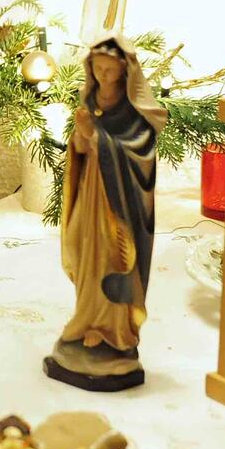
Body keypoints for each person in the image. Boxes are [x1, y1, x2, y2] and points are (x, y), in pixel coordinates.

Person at [48, 36, 165, 391]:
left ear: (124, 71)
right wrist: (81, 140)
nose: (103, 75)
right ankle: (86, 321)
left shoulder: (132, 111)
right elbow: (80, 148)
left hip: (119, 207)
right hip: (91, 196)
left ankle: (115, 333)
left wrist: (98, 138)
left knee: (114, 261)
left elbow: (140, 153)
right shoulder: (90, 99)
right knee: (88, 258)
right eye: (97, 69)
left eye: (110, 70)